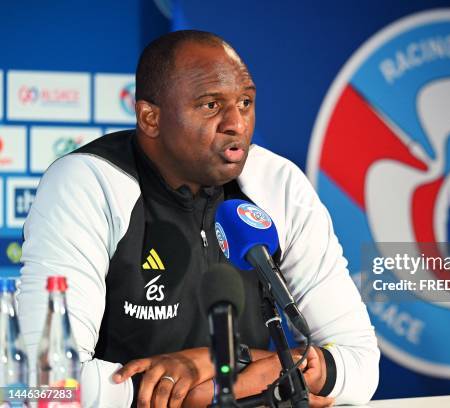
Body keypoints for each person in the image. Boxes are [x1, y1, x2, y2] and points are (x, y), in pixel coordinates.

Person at [18, 30, 379, 407]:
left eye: (245, 102)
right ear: (150, 118)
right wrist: (233, 388)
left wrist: (217, 365)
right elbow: (43, 384)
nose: (237, 123)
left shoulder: (279, 184)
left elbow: (362, 363)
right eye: (210, 105)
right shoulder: (90, 183)